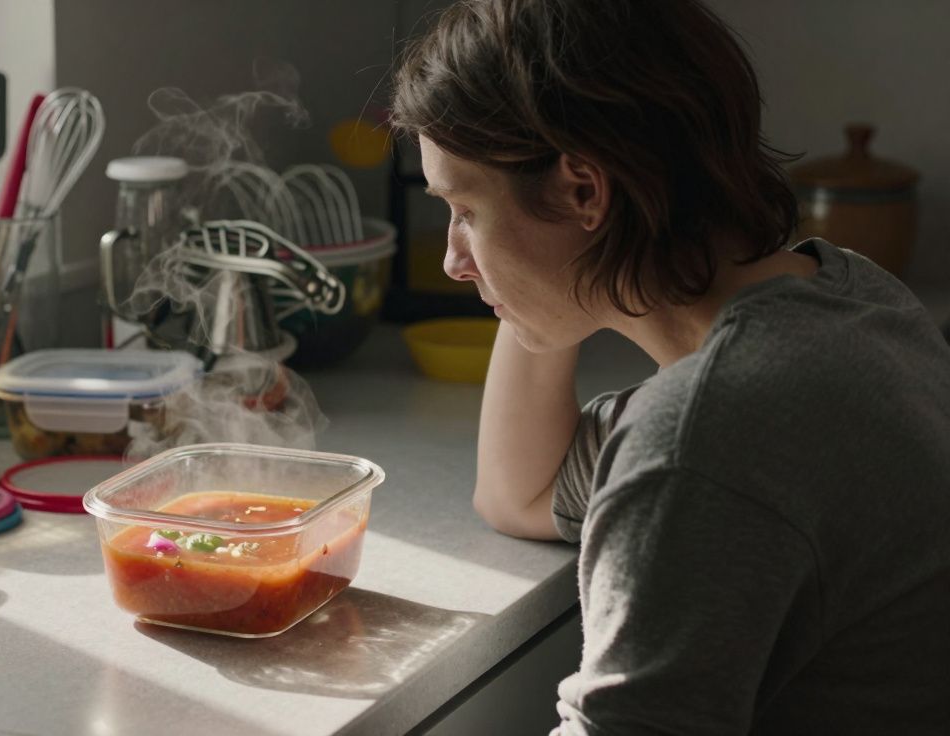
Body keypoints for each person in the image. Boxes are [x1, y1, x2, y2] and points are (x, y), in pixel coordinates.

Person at [391, 1, 950, 733]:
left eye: (465, 210)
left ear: (583, 190)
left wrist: (547, 271)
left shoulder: (705, 436)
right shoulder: (856, 296)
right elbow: (517, 492)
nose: (452, 262)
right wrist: (548, 279)